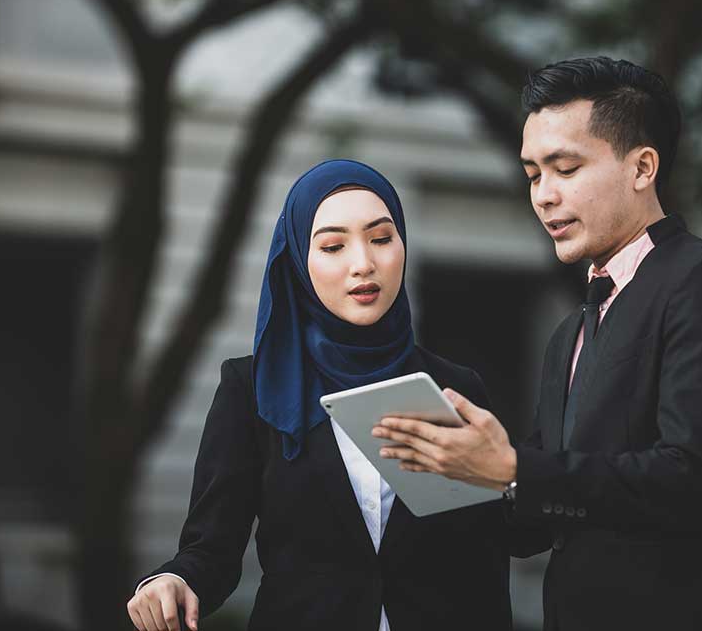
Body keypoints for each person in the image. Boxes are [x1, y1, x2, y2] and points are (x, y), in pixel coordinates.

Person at [373, 57, 702, 630]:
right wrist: (451, 477)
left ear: (642, 167)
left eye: (565, 168)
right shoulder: (570, 331)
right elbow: (535, 526)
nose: (543, 195)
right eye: (533, 174)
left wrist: (516, 469)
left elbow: (693, 482)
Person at [126, 160, 514, 631]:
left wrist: (511, 479)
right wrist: (171, 580)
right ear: (298, 263)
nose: (363, 264)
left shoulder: (457, 389)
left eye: (382, 238)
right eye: (332, 245)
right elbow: (211, 549)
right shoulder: (251, 390)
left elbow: (488, 556)